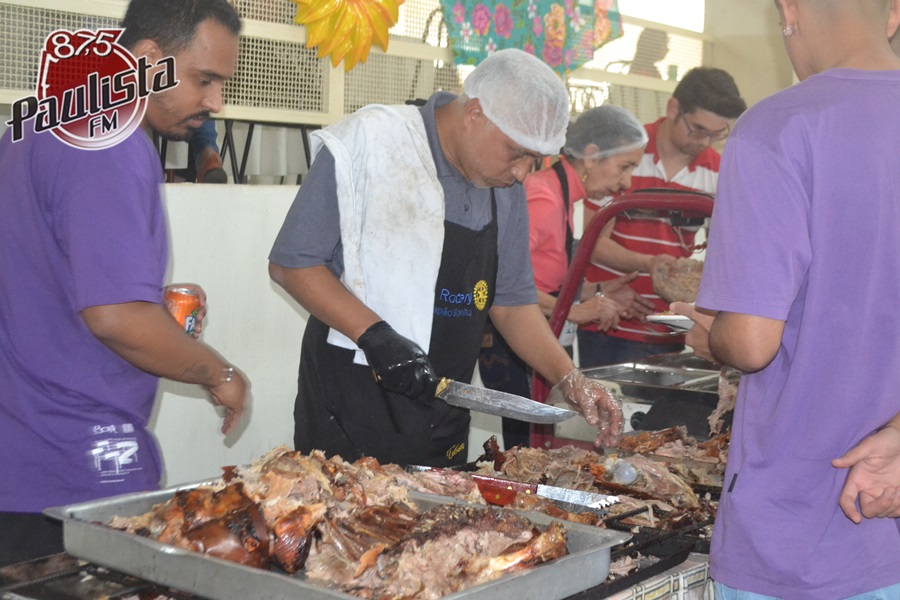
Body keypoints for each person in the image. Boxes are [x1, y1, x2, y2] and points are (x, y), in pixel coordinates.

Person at [269, 49, 623, 468]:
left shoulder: (505, 190)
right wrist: (375, 335)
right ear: (474, 113)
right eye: (516, 153)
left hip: (443, 413)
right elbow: (293, 262)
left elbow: (512, 304)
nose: (522, 173)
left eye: (535, 160)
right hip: (349, 404)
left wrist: (569, 378)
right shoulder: (373, 141)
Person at [0, 0, 249, 567]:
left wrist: (147, 302)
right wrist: (221, 374)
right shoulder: (110, 142)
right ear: (148, 59)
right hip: (68, 463)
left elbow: (42, 275)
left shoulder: (42, 122)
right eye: (203, 80)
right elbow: (114, 316)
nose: (215, 102)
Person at [670, 1, 900, 597]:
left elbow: (751, 343)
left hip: (798, 533)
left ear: (789, 9)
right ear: (893, 13)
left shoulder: (778, 128)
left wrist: (714, 335)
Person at [478, 105, 656, 449]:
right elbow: (499, 279)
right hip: (515, 343)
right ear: (591, 155)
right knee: (527, 448)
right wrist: (574, 311)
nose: (626, 183)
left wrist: (595, 291)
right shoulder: (544, 197)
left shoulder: (562, 197)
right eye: (624, 167)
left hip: (537, 334)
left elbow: (540, 280)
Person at [579, 67, 746, 368]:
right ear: (673, 109)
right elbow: (590, 243)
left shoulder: (718, 172)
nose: (705, 142)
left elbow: (726, 252)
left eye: (717, 134)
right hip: (608, 322)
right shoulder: (626, 153)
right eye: (698, 129)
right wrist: (648, 263)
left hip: (672, 330)